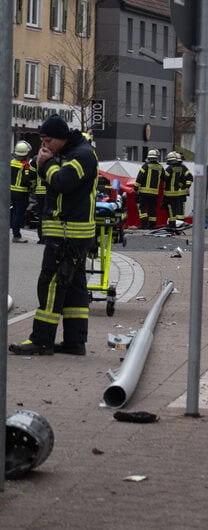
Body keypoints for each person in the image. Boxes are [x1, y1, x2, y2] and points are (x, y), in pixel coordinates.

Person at [10, 115, 98, 356]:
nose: (45, 146)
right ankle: (74, 341)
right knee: (74, 287)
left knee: (50, 284)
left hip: (68, 235)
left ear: (61, 138)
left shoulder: (82, 155)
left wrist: (47, 165)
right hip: (69, 234)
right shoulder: (68, 153)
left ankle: (42, 339)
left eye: (48, 140)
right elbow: (50, 183)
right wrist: (44, 165)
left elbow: (62, 182)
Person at [10, 141, 35, 243]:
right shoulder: (25, 165)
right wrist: (33, 185)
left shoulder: (11, 162)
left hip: (11, 191)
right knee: (19, 214)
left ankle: (15, 233)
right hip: (22, 193)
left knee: (15, 213)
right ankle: (17, 235)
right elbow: (27, 181)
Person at [134, 148, 164, 229]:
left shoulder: (146, 165)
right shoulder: (160, 167)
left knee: (142, 207)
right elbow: (165, 177)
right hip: (154, 193)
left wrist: (136, 187)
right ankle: (152, 225)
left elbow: (140, 176)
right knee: (152, 209)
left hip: (144, 192)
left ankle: (144, 225)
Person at [162, 152, 193, 229]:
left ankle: (174, 225)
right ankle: (179, 224)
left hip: (171, 194)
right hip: (180, 194)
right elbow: (190, 177)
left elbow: (164, 178)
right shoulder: (182, 168)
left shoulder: (171, 168)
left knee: (172, 210)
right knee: (180, 210)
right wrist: (187, 187)